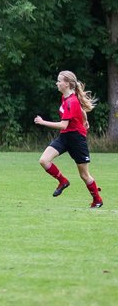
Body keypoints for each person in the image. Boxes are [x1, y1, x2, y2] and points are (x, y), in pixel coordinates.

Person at [34, 70, 102, 209]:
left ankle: (97, 200)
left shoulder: (71, 101)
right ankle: (63, 181)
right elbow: (81, 111)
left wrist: (43, 122)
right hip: (65, 136)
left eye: (59, 81)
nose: (57, 83)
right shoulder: (66, 98)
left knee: (84, 175)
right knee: (44, 160)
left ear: (66, 84)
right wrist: (85, 119)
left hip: (77, 140)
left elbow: (63, 124)